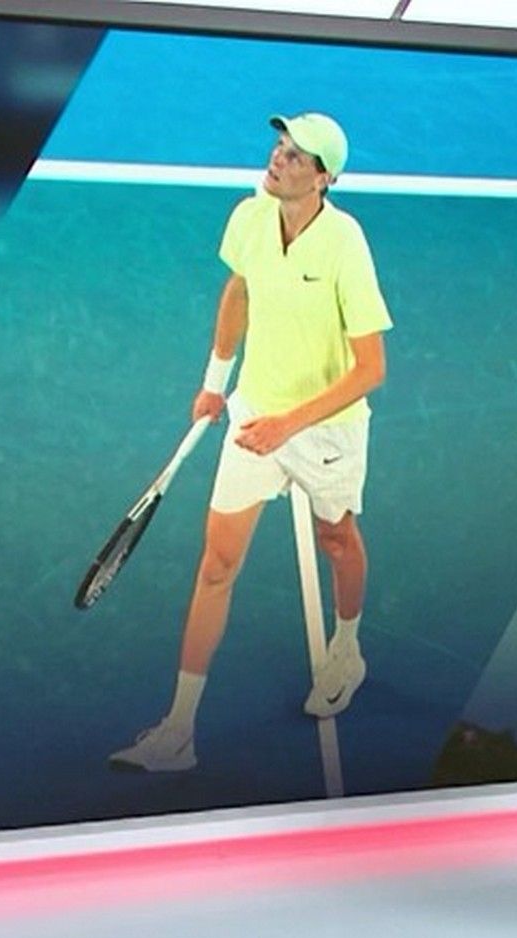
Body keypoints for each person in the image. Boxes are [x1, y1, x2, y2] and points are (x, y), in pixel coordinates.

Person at [110, 113, 392, 773]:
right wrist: (215, 384)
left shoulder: (346, 243)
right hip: (253, 413)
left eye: (296, 157)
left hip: (327, 427)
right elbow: (238, 289)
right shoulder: (250, 215)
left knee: (338, 540)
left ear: (323, 179)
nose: (278, 160)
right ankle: (179, 731)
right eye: (279, 147)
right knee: (216, 565)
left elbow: (371, 370)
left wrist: (288, 426)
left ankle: (347, 649)